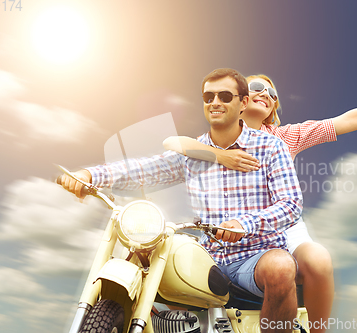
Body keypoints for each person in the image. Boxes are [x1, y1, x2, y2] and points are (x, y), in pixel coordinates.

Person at [163, 73, 357, 332]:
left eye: (272, 93)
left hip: (279, 227)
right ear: (241, 99)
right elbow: (174, 141)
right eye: (257, 86)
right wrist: (219, 156)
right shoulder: (218, 137)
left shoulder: (285, 137)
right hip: (230, 231)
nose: (266, 94)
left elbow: (346, 120)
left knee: (319, 261)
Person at [59, 68, 304, 333]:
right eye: (208, 97)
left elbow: (290, 204)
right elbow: (143, 169)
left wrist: (244, 224)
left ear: (243, 102)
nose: (215, 102)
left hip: (254, 258)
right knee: (144, 259)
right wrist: (91, 175)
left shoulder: (271, 147)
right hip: (207, 257)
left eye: (224, 96)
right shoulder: (193, 153)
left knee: (280, 266)